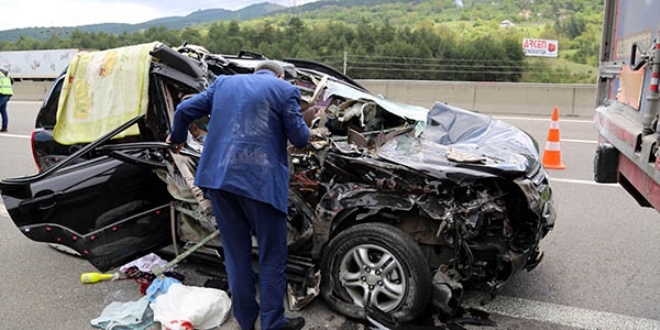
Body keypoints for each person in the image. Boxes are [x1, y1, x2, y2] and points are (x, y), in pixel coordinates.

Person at [167, 60, 310, 330]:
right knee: (271, 259)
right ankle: (272, 324)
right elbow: (300, 138)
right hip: (261, 184)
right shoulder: (284, 89)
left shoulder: (223, 83)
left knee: (236, 257)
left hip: (221, 181)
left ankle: (246, 322)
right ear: (278, 74)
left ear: (256, 72)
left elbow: (184, 110)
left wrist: (177, 137)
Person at [0, 68, 13, 132]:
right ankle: (4, 127)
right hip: (7, 93)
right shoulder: (4, 73)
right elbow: (12, 81)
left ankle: (4, 127)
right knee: (3, 110)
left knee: (3, 111)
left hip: (1, 93)